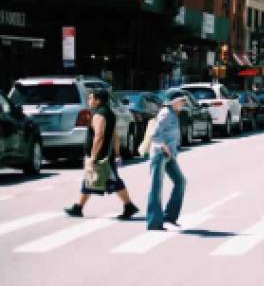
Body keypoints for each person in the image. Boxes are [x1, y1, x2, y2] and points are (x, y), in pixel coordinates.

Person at [64, 90, 140, 220]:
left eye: (90, 98)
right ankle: (78, 207)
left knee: (113, 181)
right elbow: (114, 135)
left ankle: (129, 205)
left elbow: (99, 136)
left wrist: (94, 156)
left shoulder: (100, 114)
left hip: (101, 157)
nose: (89, 101)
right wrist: (117, 153)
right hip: (106, 155)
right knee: (90, 180)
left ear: (97, 100)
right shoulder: (108, 113)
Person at [147, 95, 188, 231]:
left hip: (169, 155)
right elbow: (154, 134)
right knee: (156, 188)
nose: (183, 103)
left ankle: (169, 215)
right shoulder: (166, 113)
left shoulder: (173, 113)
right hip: (160, 154)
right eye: (181, 101)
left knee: (180, 181)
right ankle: (154, 222)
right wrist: (164, 147)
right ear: (174, 101)